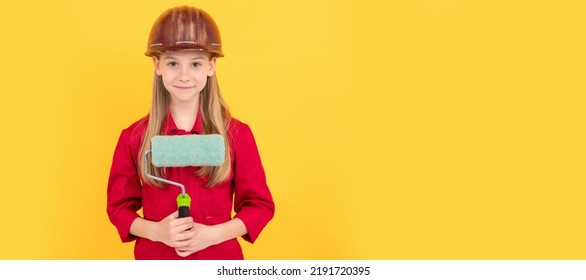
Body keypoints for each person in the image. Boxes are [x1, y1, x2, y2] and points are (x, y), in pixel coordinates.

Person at [106, 6, 275, 260]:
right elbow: (119, 208)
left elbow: (259, 206)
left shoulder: (237, 135)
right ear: (157, 65)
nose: (184, 76)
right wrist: (156, 231)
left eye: (195, 63)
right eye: (173, 63)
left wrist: (212, 235)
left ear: (211, 66)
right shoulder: (135, 138)